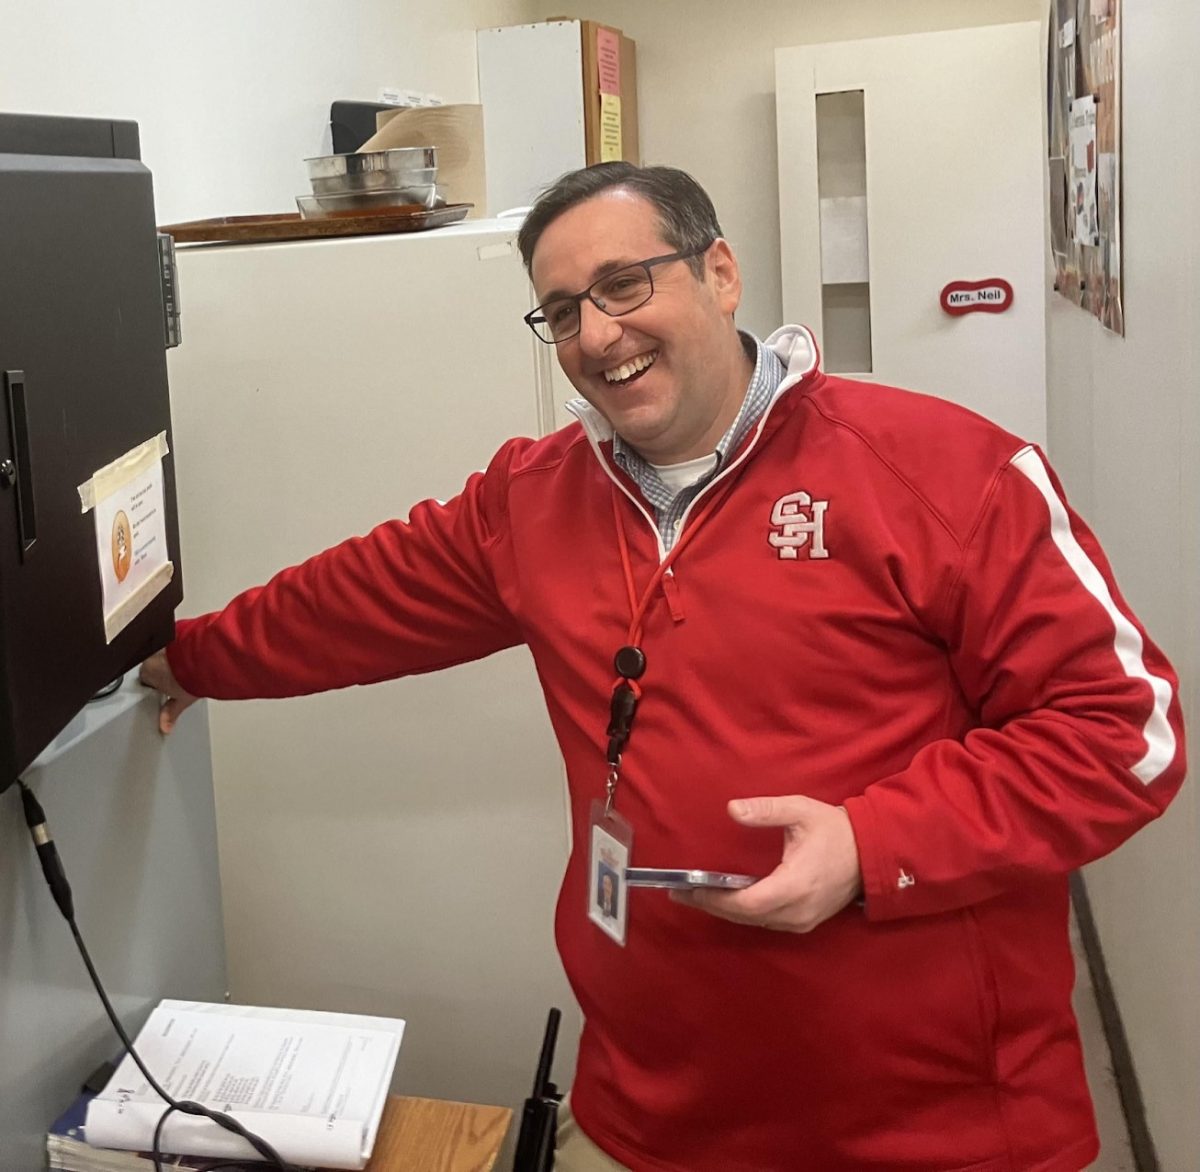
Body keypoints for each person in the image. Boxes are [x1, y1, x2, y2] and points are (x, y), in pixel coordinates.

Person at [140, 162, 1186, 1172]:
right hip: (649, 1106)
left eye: (624, 284)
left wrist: (874, 844)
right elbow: (350, 603)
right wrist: (182, 662)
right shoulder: (532, 499)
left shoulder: (944, 471)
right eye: (561, 310)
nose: (597, 334)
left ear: (719, 271)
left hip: (927, 1126)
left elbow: (1124, 733)